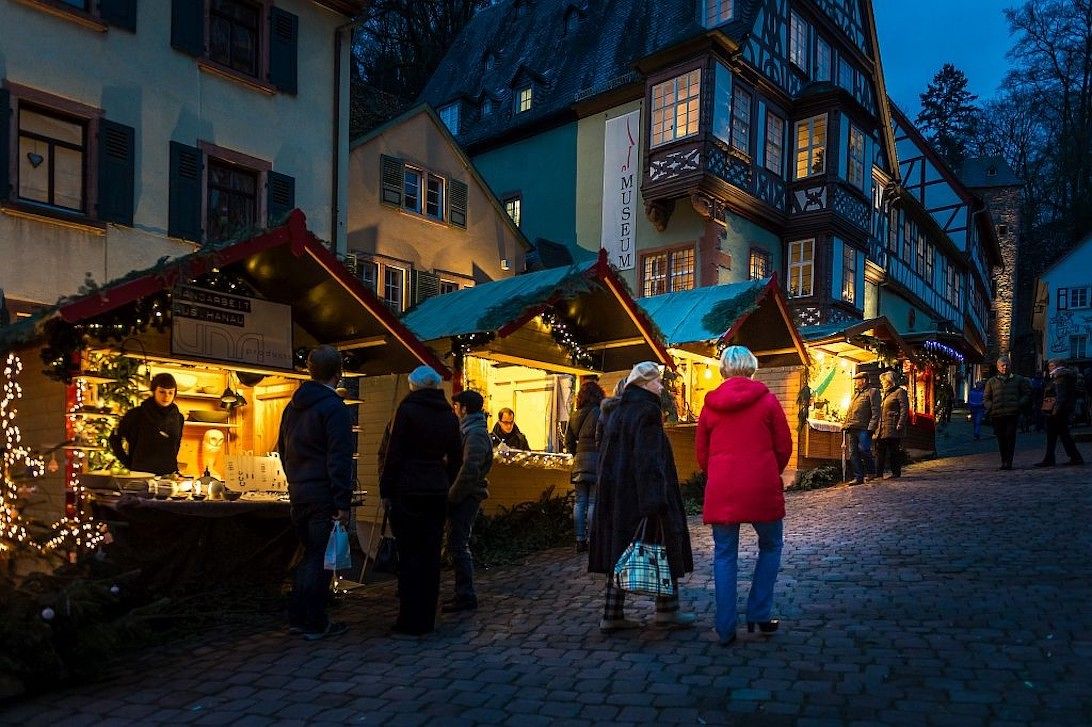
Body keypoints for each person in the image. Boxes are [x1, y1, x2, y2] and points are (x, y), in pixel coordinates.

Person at [588, 362, 694, 633]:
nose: (661, 386)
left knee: (619, 550)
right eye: (658, 382)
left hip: (616, 495)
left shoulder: (617, 411)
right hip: (640, 495)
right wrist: (656, 500)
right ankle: (667, 611)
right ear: (646, 384)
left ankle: (611, 615)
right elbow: (649, 461)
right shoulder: (647, 412)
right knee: (662, 547)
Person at [696, 346, 791, 647]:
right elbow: (784, 445)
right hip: (761, 485)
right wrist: (767, 469)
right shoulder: (767, 401)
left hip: (723, 488)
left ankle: (725, 628)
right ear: (752, 367)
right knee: (771, 545)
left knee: (724, 555)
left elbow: (701, 455)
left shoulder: (709, 406)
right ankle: (759, 612)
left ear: (723, 369)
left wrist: (718, 473)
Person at [277, 346, 354, 640]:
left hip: (299, 492)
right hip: (322, 493)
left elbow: (283, 449)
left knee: (309, 554)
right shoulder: (334, 408)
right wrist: (342, 501)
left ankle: (299, 617)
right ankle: (313, 621)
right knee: (320, 558)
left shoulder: (292, 407)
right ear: (338, 373)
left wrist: (294, 480)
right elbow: (339, 458)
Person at [380, 366, 462, 636]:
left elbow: (394, 454)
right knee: (430, 556)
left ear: (413, 385)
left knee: (410, 555)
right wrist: (443, 479)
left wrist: (386, 489)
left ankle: (409, 619)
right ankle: (427, 617)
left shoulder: (407, 411)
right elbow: (457, 458)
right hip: (436, 491)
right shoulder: (448, 416)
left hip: (408, 489)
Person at [443, 389, 493, 614]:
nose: (454, 410)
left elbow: (470, 469)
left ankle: (465, 594)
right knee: (457, 543)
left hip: (466, 496)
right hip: (464, 494)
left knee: (458, 544)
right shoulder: (469, 430)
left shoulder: (475, 433)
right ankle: (462, 593)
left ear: (464, 408)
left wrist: (453, 496)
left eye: (457, 406)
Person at [109, 372, 185, 475]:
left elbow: (176, 445)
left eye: (170, 392)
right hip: (140, 474)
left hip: (168, 476)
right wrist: (128, 463)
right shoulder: (136, 414)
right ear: (154, 391)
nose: (166, 396)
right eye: (162, 392)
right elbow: (114, 438)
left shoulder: (178, 418)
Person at [566, 380, 605, 553]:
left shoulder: (574, 415)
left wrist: (576, 453)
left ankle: (579, 539)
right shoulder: (599, 412)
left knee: (579, 501)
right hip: (595, 459)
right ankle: (592, 538)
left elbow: (568, 440)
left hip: (580, 459)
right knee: (592, 501)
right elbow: (604, 436)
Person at [1035, 360, 1086, 467]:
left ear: (1058, 366)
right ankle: (1070, 457)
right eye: (1049, 365)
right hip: (1060, 410)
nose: (1049, 367)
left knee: (1059, 435)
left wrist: (1054, 411)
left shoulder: (1060, 377)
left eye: (1052, 365)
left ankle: (1071, 457)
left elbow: (1060, 397)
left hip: (1058, 412)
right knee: (1059, 435)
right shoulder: (1060, 377)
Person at [983, 356, 1030, 470]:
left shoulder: (1018, 379)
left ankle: (1009, 461)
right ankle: (1004, 460)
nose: (1004, 367)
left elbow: (1026, 394)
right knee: (1001, 438)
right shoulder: (992, 381)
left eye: (1006, 365)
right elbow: (986, 397)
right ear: (998, 367)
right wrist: (991, 406)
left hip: (1012, 413)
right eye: (1002, 365)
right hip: (997, 414)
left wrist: (1019, 404)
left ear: (1010, 365)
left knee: (1010, 437)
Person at [841, 371, 880, 485]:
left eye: (857, 380)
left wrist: (871, 427)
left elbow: (876, 411)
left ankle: (871, 472)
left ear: (864, 381)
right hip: (852, 427)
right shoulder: (856, 394)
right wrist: (845, 424)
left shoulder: (873, 392)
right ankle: (858, 477)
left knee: (864, 450)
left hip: (864, 428)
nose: (856, 382)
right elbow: (850, 411)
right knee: (853, 453)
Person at [875, 371, 910, 479]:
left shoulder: (899, 392)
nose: (882, 383)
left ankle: (896, 472)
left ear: (890, 381)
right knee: (880, 450)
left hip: (893, 426)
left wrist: (900, 423)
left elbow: (904, 409)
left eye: (883, 381)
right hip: (883, 426)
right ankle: (878, 474)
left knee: (893, 450)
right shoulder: (885, 393)